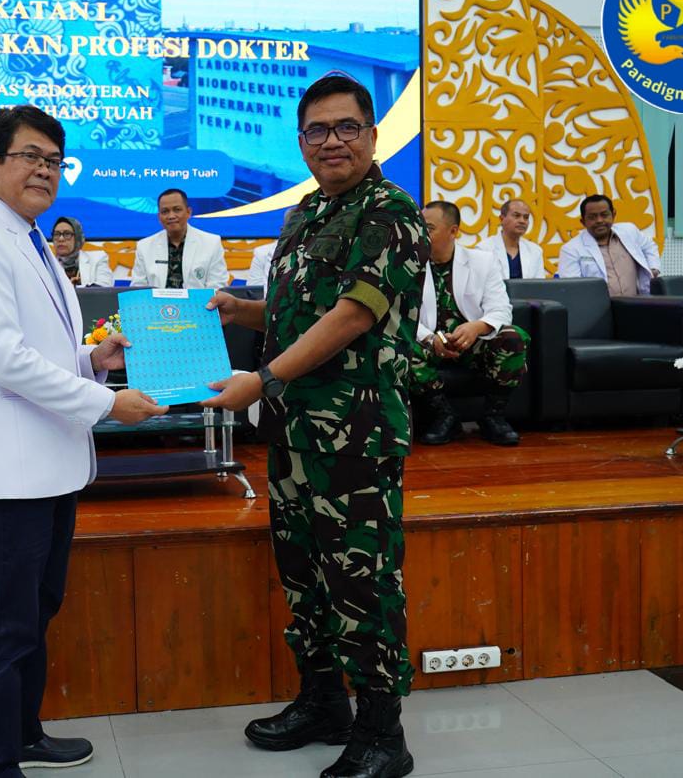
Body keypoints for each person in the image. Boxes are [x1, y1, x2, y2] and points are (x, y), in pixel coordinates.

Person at [203, 73, 427, 778]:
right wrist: (242, 311)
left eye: (346, 127)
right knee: (304, 575)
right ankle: (325, 701)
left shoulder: (391, 212)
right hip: (295, 432)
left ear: (372, 134)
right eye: (317, 130)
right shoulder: (304, 214)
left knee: (362, 580)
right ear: (301, 143)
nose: (332, 141)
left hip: (355, 433)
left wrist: (265, 378)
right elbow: (299, 312)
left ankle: (383, 733)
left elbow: (353, 316)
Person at [0, 105, 166, 778]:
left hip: (51, 465)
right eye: (30, 156)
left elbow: (43, 348)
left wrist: (94, 359)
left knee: (36, 609)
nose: (44, 170)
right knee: (5, 623)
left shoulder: (31, 238)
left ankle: (24, 734)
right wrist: (107, 402)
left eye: (54, 161)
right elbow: (5, 359)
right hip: (11, 471)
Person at [413, 201, 528, 447]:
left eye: (429, 228)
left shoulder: (482, 262)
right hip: (430, 346)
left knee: (513, 337)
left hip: (472, 345)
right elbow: (404, 316)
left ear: (453, 231)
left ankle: (493, 416)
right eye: (419, 226)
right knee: (396, 343)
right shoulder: (409, 265)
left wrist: (477, 327)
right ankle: (444, 416)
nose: (421, 232)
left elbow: (501, 309)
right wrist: (431, 339)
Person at [557, 194, 661, 295]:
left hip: (636, 303)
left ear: (613, 215)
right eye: (592, 217)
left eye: (604, 215)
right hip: (599, 306)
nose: (599, 220)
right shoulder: (571, 249)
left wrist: (654, 268)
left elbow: (649, 246)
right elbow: (573, 288)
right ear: (583, 221)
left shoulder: (629, 231)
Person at [129, 188, 229, 288]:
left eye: (177, 210)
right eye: (165, 211)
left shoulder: (211, 243)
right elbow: (137, 289)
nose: (171, 216)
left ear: (188, 212)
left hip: (200, 299)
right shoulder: (144, 247)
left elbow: (218, 287)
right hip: (156, 299)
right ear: (159, 217)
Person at [475, 198, 546, 279]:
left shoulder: (535, 251)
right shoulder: (483, 249)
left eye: (526, 217)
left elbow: (539, 285)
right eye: (516, 216)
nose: (522, 221)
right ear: (502, 219)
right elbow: (478, 283)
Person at [50, 216, 113, 286]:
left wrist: (76, 288)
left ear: (78, 238)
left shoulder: (97, 259)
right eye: (57, 234)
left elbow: (105, 287)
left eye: (67, 234)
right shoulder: (47, 265)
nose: (61, 239)